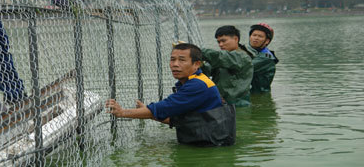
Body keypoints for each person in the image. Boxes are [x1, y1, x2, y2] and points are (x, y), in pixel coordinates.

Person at [106, 43, 236, 147]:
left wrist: (123, 113)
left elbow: (165, 107)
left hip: (210, 148)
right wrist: (147, 113)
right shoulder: (193, 81)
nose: (175, 64)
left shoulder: (198, 85)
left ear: (196, 64)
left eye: (182, 60)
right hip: (209, 142)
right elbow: (177, 119)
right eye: (172, 59)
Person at [200, 25, 254, 107]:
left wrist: (195, 51)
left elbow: (218, 57)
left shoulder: (242, 57)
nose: (220, 44)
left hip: (238, 105)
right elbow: (206, 71)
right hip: (222, 104)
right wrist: (200, 65)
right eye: (218, 42)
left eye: (223, 41)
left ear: (236, 39)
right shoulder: (223, 58)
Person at [247, 23, 279, 93]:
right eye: (254, 35)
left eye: (260, 36)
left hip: (259, 95)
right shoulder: (249, 51)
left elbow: (244, 67)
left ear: (267, 41)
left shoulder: (267, 58)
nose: (256, 38)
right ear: (250, 37)